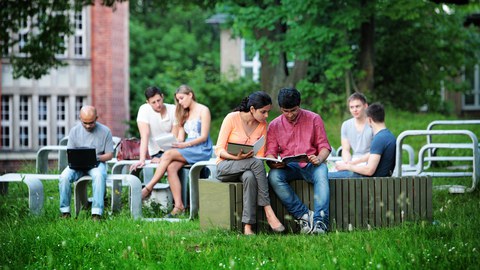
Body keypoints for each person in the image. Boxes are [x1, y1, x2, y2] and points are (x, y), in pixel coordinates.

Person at [215, 91, 285, 235]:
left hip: (247, 168)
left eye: (268, 112)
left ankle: (248, 226)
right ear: (252, 109)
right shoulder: (232, 118)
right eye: (263, 112)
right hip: (225, 166)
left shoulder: (262, 125)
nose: (266, 116)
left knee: (249, 177)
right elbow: (219, 149)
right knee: (255, 164)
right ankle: (268, 209)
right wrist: (236, 158)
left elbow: (259, 155)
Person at [266, 87, 331, 234]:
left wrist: (319, 158)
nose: (289, 115)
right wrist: (273, 162)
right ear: (280, 108)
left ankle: (320, 221)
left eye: (293, 110)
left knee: (322, 172)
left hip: (311, 165)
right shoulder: (274, 125)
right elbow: (270, 152)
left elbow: (325, 146)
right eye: (285, 111)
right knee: (274, 176)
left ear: (299, 105)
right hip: (288, 167)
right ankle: (304, 216)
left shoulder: (314, 118)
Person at [141, 85, 213, 217]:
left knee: (167, 155)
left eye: (181, 98)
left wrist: (185, 145)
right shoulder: (184, 113)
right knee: (171, 168)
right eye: (178, 100)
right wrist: (176, 144)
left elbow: (203, 137)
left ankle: (148, 188)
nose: (180, 102)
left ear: (190, 95)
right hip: (188, 147)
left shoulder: (204, 110)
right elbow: (180, 137)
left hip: (201, 148)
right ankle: (179, 206)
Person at [59, 105, 114, 220]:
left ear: (97, 118)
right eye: (85, 123)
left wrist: (96, 158)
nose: (88, 126)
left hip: (96, 164)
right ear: (80, 118)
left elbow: (109, 155)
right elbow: (69, 153)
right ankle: (65, 212)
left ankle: (96, 213)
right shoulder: (74, 131)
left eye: (91, 123)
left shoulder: (105, 131)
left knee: (99, 176)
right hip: (77, 166)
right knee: (64, 177)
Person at [329, 103, 396, 178]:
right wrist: (353, 163)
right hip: (379, 179)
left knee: (326, 176)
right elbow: (372, 153)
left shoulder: (379, 139)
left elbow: (369, 170)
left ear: (369, 119)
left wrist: (347, 167)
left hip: (367, 181)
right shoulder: (388, 135)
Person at [130, 86, 177, 172]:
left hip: (173, 150)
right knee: (172, 166)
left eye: (159, 100)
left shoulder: (173, 109)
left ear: (162, 96)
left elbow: (174, 137)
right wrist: (142, 160)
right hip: (156, 153)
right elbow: (144, 136)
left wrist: (164, 157)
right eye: (153, 102)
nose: (157, 105)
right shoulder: (144, 110)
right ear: (148, 102)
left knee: (176, 165)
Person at [340, 92, 373, 163]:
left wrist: (354, 163)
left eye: (357, 106)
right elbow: (345, 150)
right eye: (351, 107)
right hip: (354, 161)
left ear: (365, 106)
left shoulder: (373, 123)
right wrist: (347, 162)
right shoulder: (346, 125)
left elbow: (375, 152)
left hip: (371, 162)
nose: (355, 110)